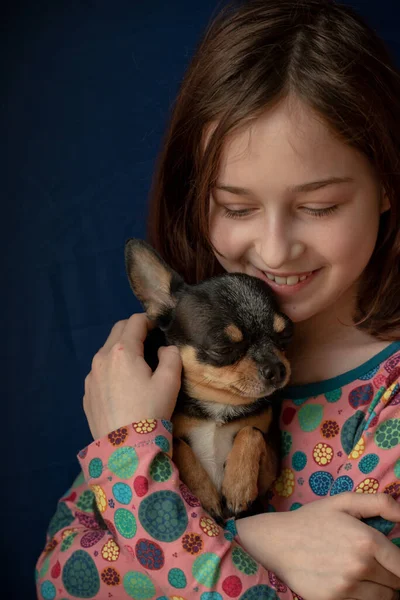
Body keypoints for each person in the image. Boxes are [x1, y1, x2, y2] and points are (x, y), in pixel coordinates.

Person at [35, 0, 400, 598]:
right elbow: (59, 575)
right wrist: (257, 543)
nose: (275, 251)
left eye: (319, 206)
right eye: (236, 208)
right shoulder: (168, 367)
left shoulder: (389, 400)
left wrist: (132, 469)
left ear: (387, 183)